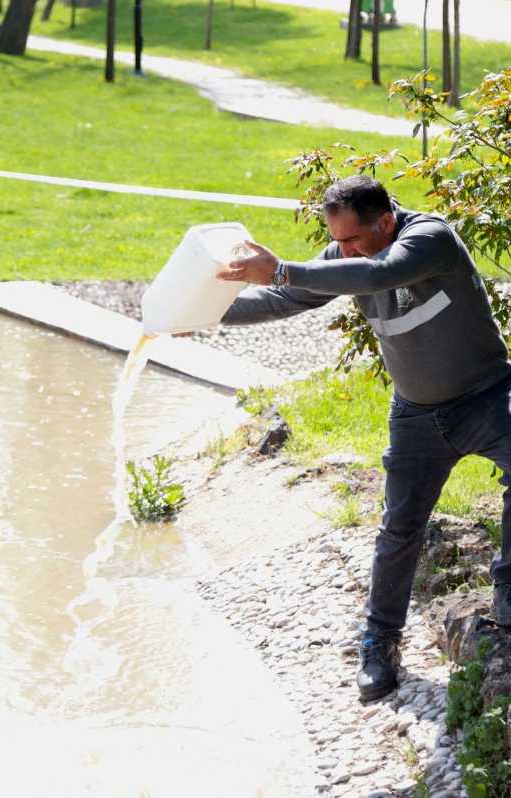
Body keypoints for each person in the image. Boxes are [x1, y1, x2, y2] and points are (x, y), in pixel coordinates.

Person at [215, 175, 511, 702]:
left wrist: (282, 267)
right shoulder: (349, 252)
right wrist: (207, 314)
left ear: (386, 221)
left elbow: (381, 272)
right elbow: (292, 298)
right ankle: (380, 643)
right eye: (338, 240)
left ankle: (507, 593)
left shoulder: (430, 240)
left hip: (487, 397)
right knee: (398, 528)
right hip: (416, 414)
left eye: (352, 240)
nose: (341, 250)